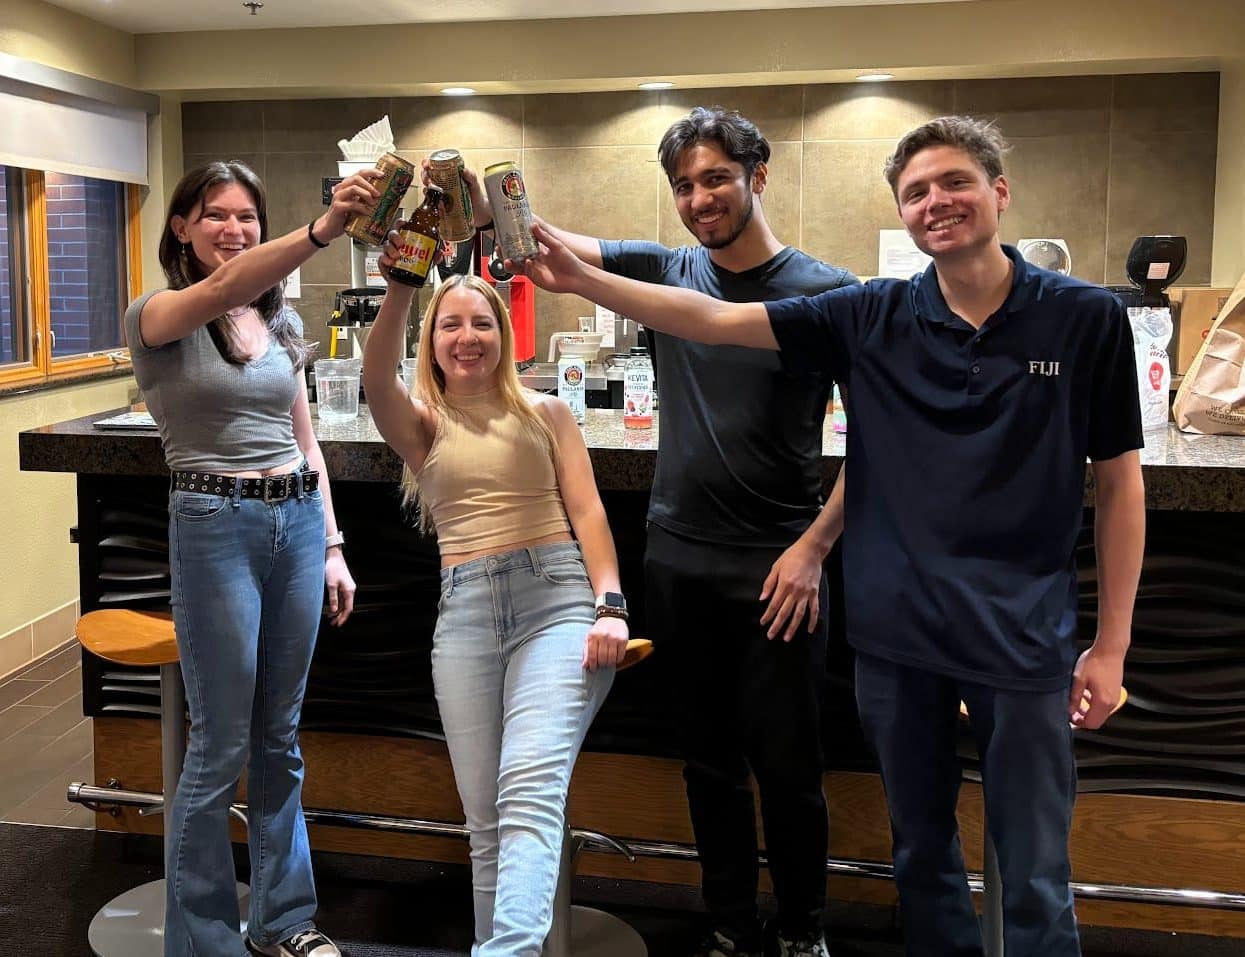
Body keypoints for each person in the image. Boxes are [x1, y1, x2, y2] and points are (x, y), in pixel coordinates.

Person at [514, 115, 1147, 957]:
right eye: (915, 191)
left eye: (953, 182)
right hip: (895, 633)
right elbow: (709, 319)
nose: (936, 203)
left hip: (1022, 630)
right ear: (901, 212)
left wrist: (1110, 646)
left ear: (999, 192)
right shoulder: (871, 313)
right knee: (919, 854)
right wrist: (568, 270)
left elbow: (1117, 483)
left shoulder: (1084, 317)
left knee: (1032, 867)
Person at [454, 107, 854, 957]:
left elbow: (885, 439)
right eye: (683, 185)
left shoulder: (828, 293)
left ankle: (801, 929)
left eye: (715, 177)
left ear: (759, 173)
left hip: (779, 562)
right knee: (706, 760)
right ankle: (730, 927)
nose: (699, 198)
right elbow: (555, 245)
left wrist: (815, 546)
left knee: (787, 764)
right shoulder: (668, 268)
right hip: (678, 557)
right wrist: (482, 200)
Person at [125, 160, 378, 957]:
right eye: (215, 215)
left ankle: (283, 920)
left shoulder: (281, 326)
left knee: (280, 736)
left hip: (296, 524)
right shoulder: (160, 313)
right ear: (181, 227)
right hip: (214, 523)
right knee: (221, 742)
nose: (232, 229)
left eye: (246, 218)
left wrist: (333, 545)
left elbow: (307, 444)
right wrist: (323, 230)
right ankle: (200, 938)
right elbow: (215, 292)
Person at [361, 263, 629, 956]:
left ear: (504, 336)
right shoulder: (420, 424)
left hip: (557, 602)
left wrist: (611, 605)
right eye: (450, 324)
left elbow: (588, 511)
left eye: (481, 322)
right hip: (466, 616)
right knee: (486, 822)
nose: (467, 336)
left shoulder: (546, 412)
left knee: (528, 791)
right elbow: (372, 376)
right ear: (431, 341)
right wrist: (400, 282)